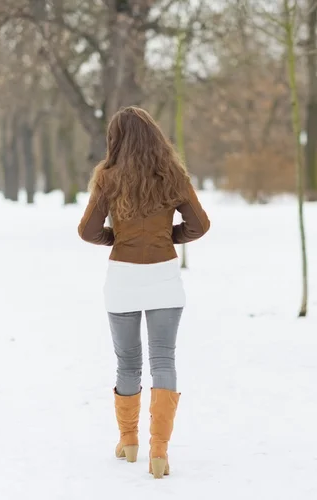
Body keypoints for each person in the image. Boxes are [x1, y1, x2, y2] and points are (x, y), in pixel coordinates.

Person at [77, 106, 210, 479]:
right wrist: (169, 237)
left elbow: (87, 231)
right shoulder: (173, 175)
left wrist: (116, 239)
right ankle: (160, 452)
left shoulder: (108, 177)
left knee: (128, 362)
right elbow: (199, 225)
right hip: (164, 276)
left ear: (115, 139)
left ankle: (129, 441)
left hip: (123, 278)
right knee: (164, 361)